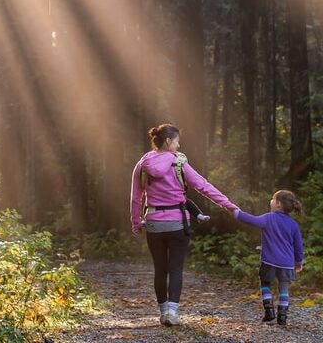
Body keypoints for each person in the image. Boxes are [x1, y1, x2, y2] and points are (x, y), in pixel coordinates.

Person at [130, 123, 238, 327]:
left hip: (153, 223)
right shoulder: (179, 163)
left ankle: (163, 313)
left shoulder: (142, 164)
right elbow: (203, 186)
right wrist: (229, 205)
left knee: (160, 269)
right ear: (169, 141)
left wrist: (136, 222)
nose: (179, 145)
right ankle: (172, 312)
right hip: (178, 223)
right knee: (176, 268)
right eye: (177, 141)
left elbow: (136, 197)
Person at [233, 189, 304, 326]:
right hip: (287, 263)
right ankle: (282, 316)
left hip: (269, 261)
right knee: (284, 288)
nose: (270, 201)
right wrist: (298, 262)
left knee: (265, 283)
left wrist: (236, 213)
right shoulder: (293, 225)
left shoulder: (268, 218)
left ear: (277, 204)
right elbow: (298, 246)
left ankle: (269, 311)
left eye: (272, 199)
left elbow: (251, 220)